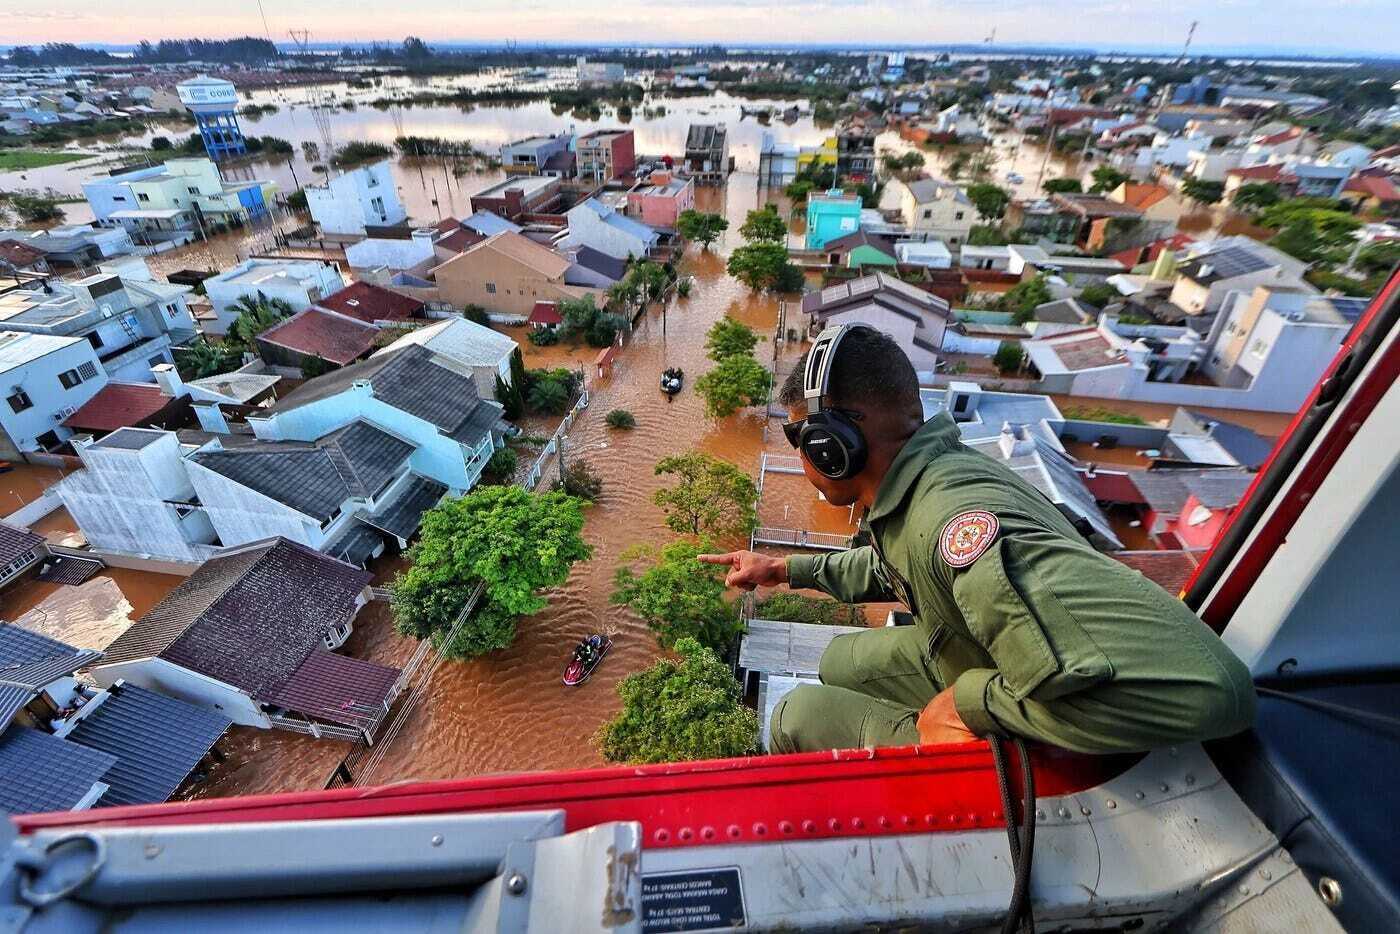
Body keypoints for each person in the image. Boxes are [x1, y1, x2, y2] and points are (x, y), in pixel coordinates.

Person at [700, 324, 1255, 755]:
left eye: (800, 436)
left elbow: (1214, 691)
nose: (801, 452)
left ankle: (939, 758)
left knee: (794, 716)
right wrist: (783, 570)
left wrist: (969, 705)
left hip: (1022, 703)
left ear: (832, 444)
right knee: (841, 660)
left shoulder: (953, 525)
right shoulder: (922, 482)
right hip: (978, 655)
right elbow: (897, 563)